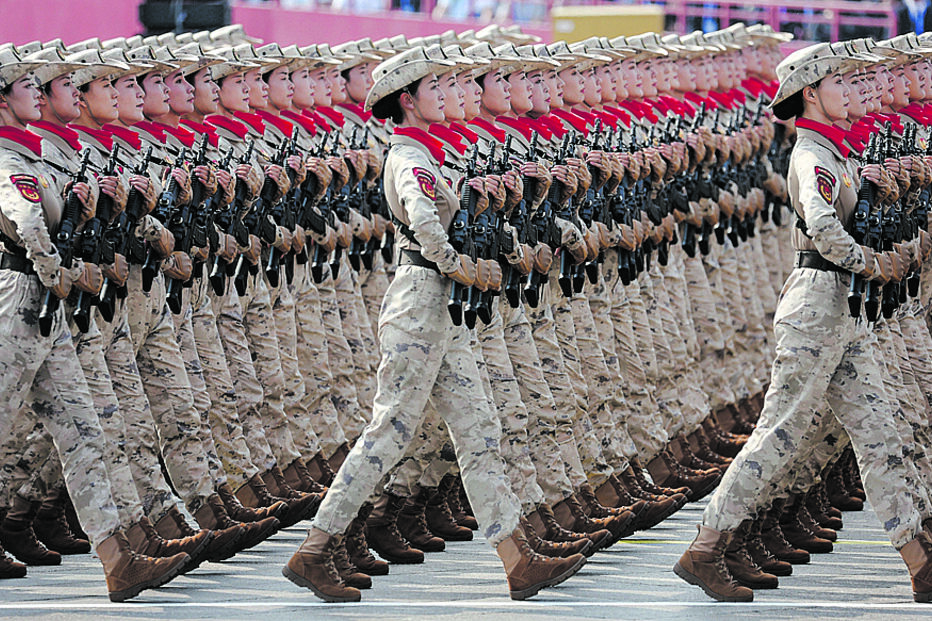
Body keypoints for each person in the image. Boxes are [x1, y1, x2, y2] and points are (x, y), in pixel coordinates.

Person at [282, 45, 585, 603]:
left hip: (443, 310)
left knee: (479, 430)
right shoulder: (408, 159)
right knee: (390, 432)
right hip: (420, 303)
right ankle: (315, 548)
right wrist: (463, 266)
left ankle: (517, 558)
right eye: (435, 88)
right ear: (407, 100)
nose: (446, 95)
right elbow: (425, 224)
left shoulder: (428, 154)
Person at [674, 42, 932, 603]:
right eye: (840, 83)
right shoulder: (812, 155)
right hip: (818, 304)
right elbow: (822, 226)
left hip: (845, 308)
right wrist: (871, 262)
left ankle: (919, 560)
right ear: (811, 94)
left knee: (881, 434)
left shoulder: (836, 150)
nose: (852, 92)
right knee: (780, 435)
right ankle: (705, 547)